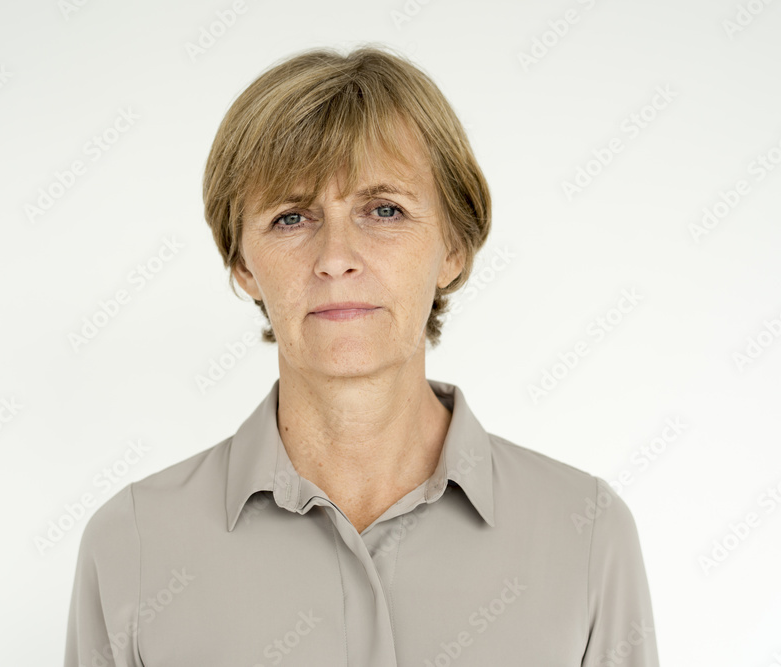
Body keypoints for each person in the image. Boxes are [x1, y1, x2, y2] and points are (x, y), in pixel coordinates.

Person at [64, 43, 659, 667]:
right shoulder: (131, 546)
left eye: (384, 210)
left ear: (453, 248)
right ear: (243, 263)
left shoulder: (587, 533)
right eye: (292, 218)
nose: (335, 258)